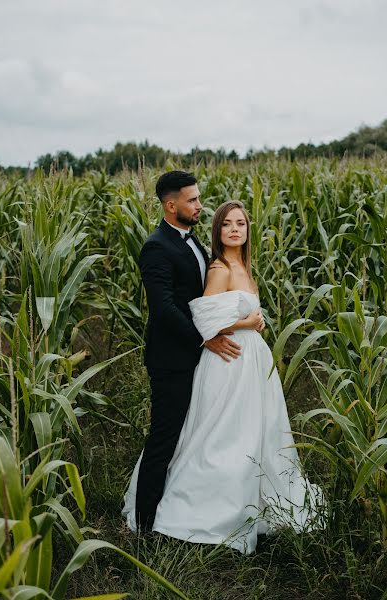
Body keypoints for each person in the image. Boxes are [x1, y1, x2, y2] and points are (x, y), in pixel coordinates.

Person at [123, 197, 323, 553]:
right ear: (218, 231)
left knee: (257, 432)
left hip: (251, 363)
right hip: (228, 361)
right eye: (228, 224)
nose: (235, 229)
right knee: (223, 436)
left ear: (248, 230)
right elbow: (204, 318)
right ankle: (201, 509)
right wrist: (249, 321)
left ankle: (259, 502)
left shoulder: (244, 267)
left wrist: (255, 324)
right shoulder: (219, 269)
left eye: (241, 224)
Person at [129, 171, 262, 533]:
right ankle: (145, 527)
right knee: (164, 438)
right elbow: (164, 308)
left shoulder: (195, 242)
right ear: (171, 205)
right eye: (192, 200)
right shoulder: (157, 246)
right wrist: (206, 338)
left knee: (194, 436)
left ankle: (184, 506)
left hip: (201, 359)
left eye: (199, 198)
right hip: (171, 360)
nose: (200, 205)